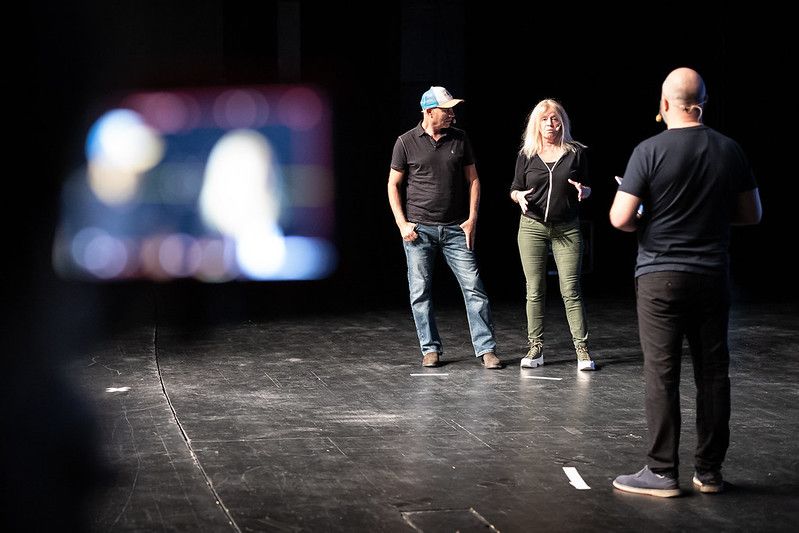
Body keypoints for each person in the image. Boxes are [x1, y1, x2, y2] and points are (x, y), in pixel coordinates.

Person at [610, 67, 762, 497]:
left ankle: (661, 472)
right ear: (703, 103)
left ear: (663, 104)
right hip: (711, 275)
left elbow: (620, 218)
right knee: (713, 374)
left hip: (660, 276)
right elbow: (752, 214)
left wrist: (648, 216)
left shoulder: (648, 150)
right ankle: (709, 472)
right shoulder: (730, 149)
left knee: (662, 373)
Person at [387, 85, 501, 369]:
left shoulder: (460, 139)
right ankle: (430, 348)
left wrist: (472, 219)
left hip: (455, 228)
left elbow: (474, 180)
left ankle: (486, 349)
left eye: (452, 110)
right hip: (419, 230)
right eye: (446, 110)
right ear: (429, 112)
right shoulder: (406, 142)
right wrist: (402, 224)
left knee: (474, 288)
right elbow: (393, 185)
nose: (452, 115)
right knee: (420, 292)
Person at [509, 99, 596, 371]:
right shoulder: (527, 154)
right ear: (537, 123)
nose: (550, 124)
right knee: (534, 289)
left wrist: (584, 191)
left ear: (562, 122)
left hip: (567, 227)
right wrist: (518, 197)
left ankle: (582, 350)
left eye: (555, 118)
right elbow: (514, 188)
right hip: (532, 227)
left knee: (570, 290)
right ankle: (535, 348)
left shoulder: (575, 153)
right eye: (545, 119)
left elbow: (588, 187)